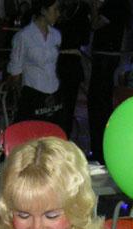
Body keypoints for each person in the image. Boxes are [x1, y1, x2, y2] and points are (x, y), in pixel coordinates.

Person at [87, 0, 131, 163]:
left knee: (97, 104)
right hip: (111, 55)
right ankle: (102, 148)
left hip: (104, 56)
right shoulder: (122, 7)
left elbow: (95, 24)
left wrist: (93, 7)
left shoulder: (112, 6)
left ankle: (98, 150)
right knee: (103, 103)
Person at [7, 0, 63, 125]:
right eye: (55, 9)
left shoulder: (56, 35)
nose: (58, 14)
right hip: (33, 93)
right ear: (43, 10)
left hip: (54, 93)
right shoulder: (24, 36)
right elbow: (15, 71)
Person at [55, 0, 91, 137]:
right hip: (70, 62)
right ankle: (64, 135)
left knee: (61, 105)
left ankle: (61, 134)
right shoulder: (81, 10)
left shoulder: (62, 10)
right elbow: (85, 39)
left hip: (61, 61)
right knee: (67, 106)